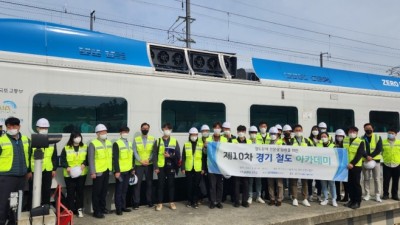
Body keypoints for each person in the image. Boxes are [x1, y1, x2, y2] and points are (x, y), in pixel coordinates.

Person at [0, 117, 30, 225]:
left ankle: (13, 222)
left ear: (19, 127)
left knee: (17, 203)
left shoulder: (26, 140)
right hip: (6, 177)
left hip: (22, 177)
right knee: (3, 203)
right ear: (6, 127)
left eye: (14, 126)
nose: (12, 128)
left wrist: (29, 171)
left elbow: (29, 156)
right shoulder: (1, 140)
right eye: (9, 126)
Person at [28, 118, 58, 208]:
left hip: (48, 170)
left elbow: (54, 156)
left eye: (46, 128)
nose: (44, 129)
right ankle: (31, 209)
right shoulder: (31, 140)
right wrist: (28, 170)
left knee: (46, 190)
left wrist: (54, 169)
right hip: (35, 171)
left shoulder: (52, 141)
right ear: (37, 128)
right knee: (33, 191)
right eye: (42, 128)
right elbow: (28, 156)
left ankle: (46, 208)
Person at [154, 123, 181, 211]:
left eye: (169, 129)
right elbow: (154, 155)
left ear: (171, 130)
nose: (167, 130)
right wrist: (156, 167)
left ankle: (171, 202)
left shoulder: (174, 141)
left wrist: (170, 156)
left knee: (171, 185)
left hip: (171, 166)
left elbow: (178, 155)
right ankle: (159, 203)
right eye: (165, 128)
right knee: (160, 185)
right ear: (162, 129)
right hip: (161, 166)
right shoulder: (158, 141)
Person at [60, 132, 87, 218]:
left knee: (80, 192)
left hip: (81, 174)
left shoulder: (85, 147)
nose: (78, 138)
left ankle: (79, 209)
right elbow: (62, 160)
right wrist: (67, 167)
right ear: (72, 138)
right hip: (69, 175)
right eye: (76, 137)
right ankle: (70, 210)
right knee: (70, 192)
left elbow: (88, 158)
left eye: (79, 137)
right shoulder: (66, 148)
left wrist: (84, 163)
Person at [88, 124, 112, 218]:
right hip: (98, 172)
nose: (104, 133)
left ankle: (103, 208)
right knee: (96, 192)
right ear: (97, 134)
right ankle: (96, 211)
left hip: (107, 170)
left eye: (105, 132)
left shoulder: (109, 143)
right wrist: (92, 172)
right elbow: (91, 159)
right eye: (102, 132)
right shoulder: (93, 143)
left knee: (104, 191)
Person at [132, 123, 156, 209]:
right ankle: (136, 203)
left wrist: (149, 160)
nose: (145, 129)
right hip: (139, 165)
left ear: (149, 129)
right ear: (141, 129)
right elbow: (134, 151)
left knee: (149, 184)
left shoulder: (153, 139)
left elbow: (154, 152)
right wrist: (140, 160)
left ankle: (149, 201)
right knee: (137, 184)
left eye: (146, 128)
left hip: (149, 165)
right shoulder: (136, 139)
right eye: (143, 128)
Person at [182, 127, 204, 209]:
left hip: (198, 168)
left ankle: (195, 201)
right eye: (192, 135)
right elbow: (183, 156)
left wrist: (203, 168)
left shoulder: (200, 144)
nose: (194, 136)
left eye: (195, 135)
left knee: (196, 185)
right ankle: (189, 200)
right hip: (188, 168)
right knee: (189, 185)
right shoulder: (186, 144)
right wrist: (183, 168)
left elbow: (203, 158)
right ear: (189, 135)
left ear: (197, 135)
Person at [113, 127, 134, 215]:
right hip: (120, 172)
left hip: (128, 170)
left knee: (125, 190)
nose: (125, 133)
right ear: (120, 133)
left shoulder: (129, 143)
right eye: (124, 131)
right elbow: (115, 158)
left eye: (127, 132)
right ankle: (118, 208)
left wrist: (132, 169)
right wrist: (117, 171)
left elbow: (131, 157)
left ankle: (123, 206)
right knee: (119, 190)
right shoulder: (116, 143)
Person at [289, 124, 312, 207]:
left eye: (299, 130)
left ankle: (304, 199)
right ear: (294, 131)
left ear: (302, 131)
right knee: (293, 182)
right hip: (294, 165)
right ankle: (295, 198)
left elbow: (313, 151)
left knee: (305, 182)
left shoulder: (307, 141)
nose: (298, 132)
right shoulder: (290, 141)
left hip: (304, 165)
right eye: (296, 130)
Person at [343, 126, 365, 209]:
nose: (352, 133)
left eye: (354, 132)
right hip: (346, 166)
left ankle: (357, 201)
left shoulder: (360, 141)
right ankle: (351, 200)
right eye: (350, 131)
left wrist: (352, 163)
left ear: (357, 133)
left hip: (356, 166)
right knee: (349, 184)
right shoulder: (345, 140)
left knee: (356, 184)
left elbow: (359, 154)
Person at [207, 122, 227, 209]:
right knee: (212, 185)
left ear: (221, 129)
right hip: (211, 166)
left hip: (221, 167)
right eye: (215, 127)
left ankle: (218, 201)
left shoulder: (224, 140)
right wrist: (205, 147)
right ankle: (212, 201)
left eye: (219, 128)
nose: (217, 129)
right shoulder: (208, 139)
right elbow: (205, 153)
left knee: (220, 185)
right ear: (213, 129)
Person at [361, 123, 383, 202]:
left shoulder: (377, 137)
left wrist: (371, 156)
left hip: (376, 161)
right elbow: (361, 149)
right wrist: (367, 156)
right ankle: (367, 194)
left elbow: (379, 148)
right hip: (365, 161)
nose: (368, 129)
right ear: (364, 129)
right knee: (366, 178)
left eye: (370, 128)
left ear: (373, 129)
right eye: (366, 128)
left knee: (376, 179)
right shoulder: (361, 138)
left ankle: (377, 195)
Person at [232, 125, 251, 208]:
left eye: (243, 131)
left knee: (246, 184)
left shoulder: (249, 142)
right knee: (236, 184)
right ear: (237, 132)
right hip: (236, 166)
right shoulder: (233, 141)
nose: (241, 133)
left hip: (246, 167)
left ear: (245, 132)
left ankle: (244, 201)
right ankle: (236, 201)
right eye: (239, 131)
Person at [318, 132, 337, 207]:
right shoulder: (318, 145)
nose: (323, 137)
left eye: (325, 136)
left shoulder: (333, 145)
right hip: (321, 168)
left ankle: (333, 199)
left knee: (332, 184)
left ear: (328, 137)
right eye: (322, 136)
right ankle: (325, 198)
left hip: (331, 168)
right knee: (323, 184)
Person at [266, 127, 284, 207]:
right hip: (269, 165)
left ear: (277, 134)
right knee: (270, 183)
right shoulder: (267, 142)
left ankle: (279, 199)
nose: (273, 135)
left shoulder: (281, 142)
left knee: (279, 184)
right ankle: (272, 199)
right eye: (271, 134)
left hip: (279, 166)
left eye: (274, 134)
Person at [381, 128, 400, 201]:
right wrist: (382, 161)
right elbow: (381, 152)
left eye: (392, 133)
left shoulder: (399, 142)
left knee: (396, 180)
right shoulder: (383, 142)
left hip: (397, 164)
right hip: (387, 164)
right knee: (386, 180)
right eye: (389, 133)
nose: (390, 134)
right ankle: (385, 194)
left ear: (395, 134)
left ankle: (394, 195)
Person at [248, 126, 265, 204]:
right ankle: (250, 196)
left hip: (258, 165)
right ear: (249, 133)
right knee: (250, 181)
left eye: (255, 133)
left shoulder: (260, 142)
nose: (253, 134)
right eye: (252, 133)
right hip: (250, 165)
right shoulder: (247, 141)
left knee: (258, 182)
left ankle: (258, 196)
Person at [307, 125, 322, 202]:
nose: (315, 130)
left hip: (318, 163)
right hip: (310, 163)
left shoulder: (322, 140)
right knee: (309, 181)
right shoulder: (308, 139)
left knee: (318, 181)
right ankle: (310, 195)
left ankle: (319, 195)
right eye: (313, 129)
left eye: (316, 129)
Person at [222, 121, 235, 203]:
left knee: (233, 182)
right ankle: (223, 197)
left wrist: (230, 138)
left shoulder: (234, 138)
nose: (226, 130)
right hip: (223, 163)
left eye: (227, 129)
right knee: (223, 182)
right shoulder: (220, 138)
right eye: (225, 129)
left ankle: (233, 198)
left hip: (232, 163)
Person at [334, 129, 349, 202]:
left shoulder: (346, 144)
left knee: (345, 182)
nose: (339, 137)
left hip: (344, 166)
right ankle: (338, 196)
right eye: (338, 136)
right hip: (336, 165)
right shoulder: (334, 144)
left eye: (341, 136)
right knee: (336, 182)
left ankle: (346, 196)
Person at [199, 124, 211, 203]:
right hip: (201, 164)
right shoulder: (199, 140)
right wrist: (203, 146)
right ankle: (201, 198)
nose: (205, 132)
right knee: (200, 182)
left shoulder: (211, 139)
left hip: (210, 164)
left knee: (210, 182)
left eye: (206, 131)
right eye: (203, 131)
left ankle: (211, 199)